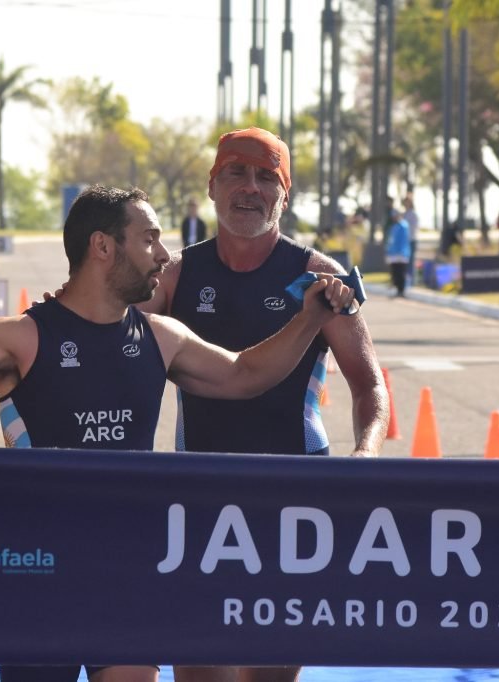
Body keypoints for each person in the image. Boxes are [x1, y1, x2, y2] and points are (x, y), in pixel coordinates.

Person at [0, 185, 355, 682]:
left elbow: (245, 375)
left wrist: (310, 318)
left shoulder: (161, 336)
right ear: (102, 246)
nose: (163, 255)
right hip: (37, 571)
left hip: (125, 568)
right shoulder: (22, 337)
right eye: (149, 239)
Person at [129, 127, 390, 682]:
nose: (250, 188)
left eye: (266, 178)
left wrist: (366, 454)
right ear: (212, 186)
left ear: (284, 195)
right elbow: (109, 334)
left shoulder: (320, 277)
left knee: (268, 673)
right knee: (200, 669)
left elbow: (369, 385)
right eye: (236, 173)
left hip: (294, 493)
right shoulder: (176, 275)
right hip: (200, 492)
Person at [385, 212, 411, 297]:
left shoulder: (403, 226)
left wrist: (400, 251)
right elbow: (391, 240)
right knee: (395, 271)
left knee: (401, 272)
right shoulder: (394, 227)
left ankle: (402, 290)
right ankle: (398, 289)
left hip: (401, 253)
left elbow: (403, 241)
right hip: (394, 253)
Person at [401, 193, 419, 287]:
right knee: (404, 262)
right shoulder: (404, 214)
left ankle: (411, 281)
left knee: (411, 261)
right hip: (405, 242)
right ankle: (405, 281)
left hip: (411, 240)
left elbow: (413, 229)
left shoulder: (413, 214)